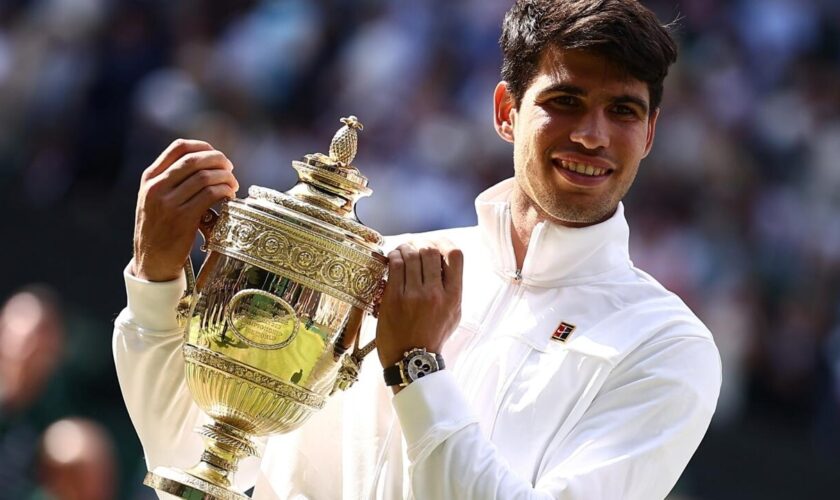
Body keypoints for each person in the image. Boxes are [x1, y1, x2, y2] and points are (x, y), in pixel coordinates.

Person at [113, 0, 721, 498]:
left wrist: (415, 371)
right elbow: (199, 459)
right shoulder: (378, 266)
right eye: (565, 101)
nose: (593, 135)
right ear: (507, 111)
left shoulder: (667, 345)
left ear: (649, 133)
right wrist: (156, 279)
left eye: (622, 111)